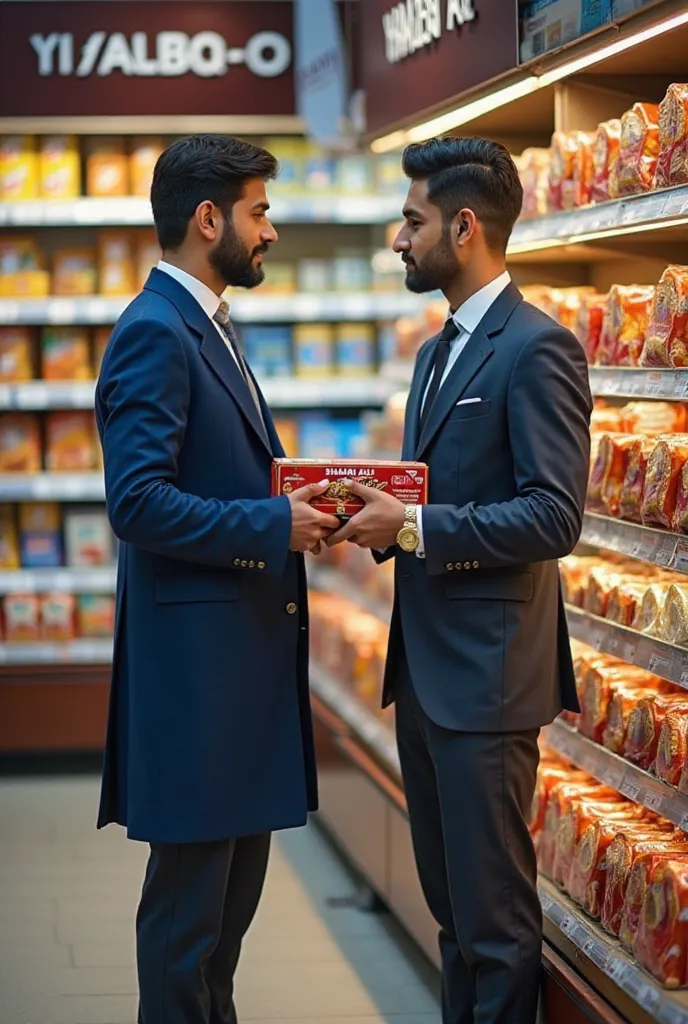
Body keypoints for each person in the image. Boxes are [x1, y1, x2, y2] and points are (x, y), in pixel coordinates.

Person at [328, 136, 592, 1024]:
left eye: (413, 222)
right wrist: (375, 512)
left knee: (494, 923)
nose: (401, 241)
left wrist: (408, 524)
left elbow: (554, 517)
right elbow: (434, 499)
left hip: (487, 679)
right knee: (451, 915)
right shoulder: (435, 352)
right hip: (429, 670)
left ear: (465, 227)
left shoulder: (537, 349)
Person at [95, 134, 340, 1024]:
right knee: (186, 930)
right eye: (259, 210)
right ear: (209, 219)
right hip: (199, 684)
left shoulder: (205, 324)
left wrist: (296, 502)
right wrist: (274, 525)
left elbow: (206, 476)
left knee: (220, 933)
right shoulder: (156, 332)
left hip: (234, 675)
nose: (269, 230)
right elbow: (139, 503)